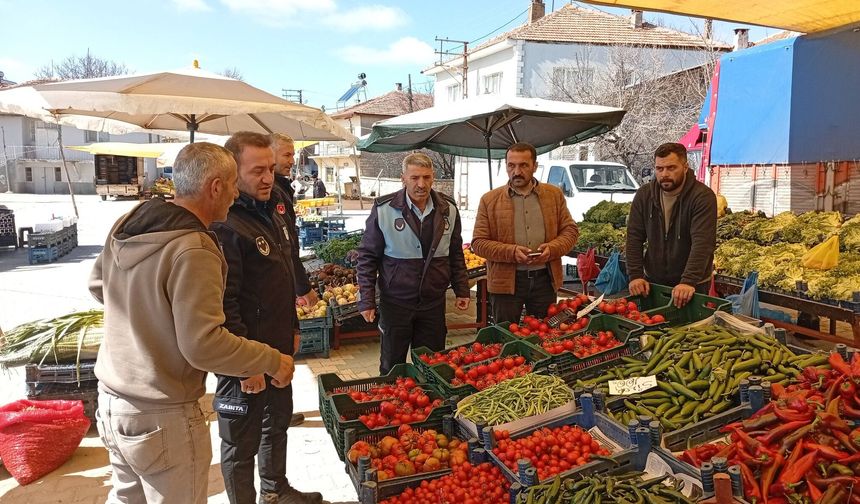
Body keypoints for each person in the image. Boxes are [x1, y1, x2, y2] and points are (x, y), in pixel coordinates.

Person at [89, 142, 296, 504]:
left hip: (111, 402)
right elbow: (203, 344)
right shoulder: (195, 247)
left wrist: (148, 316)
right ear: (215, 187)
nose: (235, 194)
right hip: (162, 412)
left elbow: (97, 285)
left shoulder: (131, 222)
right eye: (232, 184)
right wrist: (270, 360)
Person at [212, 132, 322, 504]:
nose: (267, 178)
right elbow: (225, 306)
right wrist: (246, 366)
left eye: (271, 169)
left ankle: (275, 490)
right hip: (243, 355)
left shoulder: (272, 208)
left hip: (276, 347)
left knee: (276, 423)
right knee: (240, 441)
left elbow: (283, 274)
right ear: (232, 173)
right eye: (257, 170)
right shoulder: (226, 223)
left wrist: (292, 326)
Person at [356, 152, 471, 374]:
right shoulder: (384, 209)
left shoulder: (449, 209)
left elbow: (455, 253)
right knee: (392, 366)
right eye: (415, 177)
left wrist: (462, 290)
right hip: (395, 303)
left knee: (432, 365)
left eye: (426, 177)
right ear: (403, 178)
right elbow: (367, 257)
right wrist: (367, 300)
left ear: (433, 177)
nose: (421, 184)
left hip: (433, 303)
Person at [471, 142, 579, 324]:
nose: (516, 171)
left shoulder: (554, 195)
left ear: (535, 166)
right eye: (511, 166)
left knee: (545, 336)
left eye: (523, 165)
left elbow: (570, 231)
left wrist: (552, 249)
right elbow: (479, 243)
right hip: (505, 284)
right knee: (504, 336)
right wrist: (511, 252)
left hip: (545, 280)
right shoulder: (489, 200)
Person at [625, 142, 717, 308]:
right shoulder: (644, 195)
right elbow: (634, 237)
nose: (664, 174)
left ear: (685, 166)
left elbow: (703, 243)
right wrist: (635, 275)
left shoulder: (702, 197)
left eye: (671, 168)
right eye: (659, 169)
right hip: (653, 282)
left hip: (692, 285)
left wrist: (688, 281)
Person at [270, 133, 320, 428]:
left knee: (284, 346)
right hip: (279, 283)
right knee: (281, 347)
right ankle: (278, 413)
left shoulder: (282, 189)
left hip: (285, 280)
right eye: (286, 155)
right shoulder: (274, 192)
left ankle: (280, 409)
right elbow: (286, 245)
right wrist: (302, 286)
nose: (292, 161)